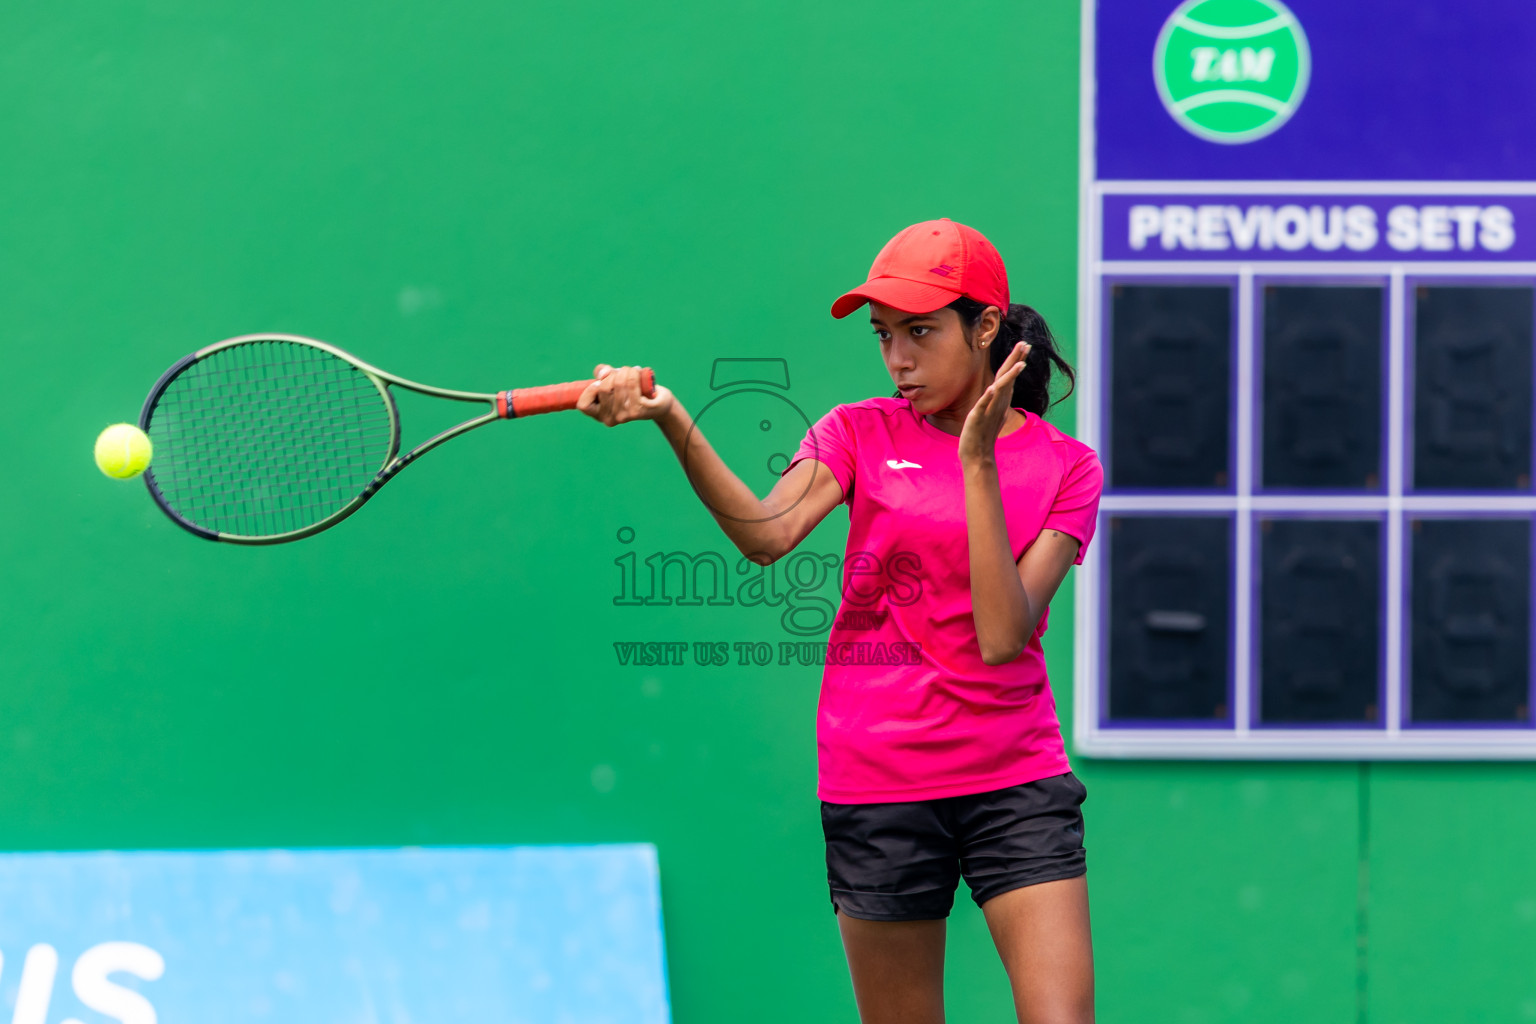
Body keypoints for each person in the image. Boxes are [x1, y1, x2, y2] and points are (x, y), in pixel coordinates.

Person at [577, 218, 1103, 1024]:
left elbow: (1003, 639)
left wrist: (976, 466)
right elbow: (767, 535)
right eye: (884, 336)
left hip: (1015, 779)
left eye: (920, 333)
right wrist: (672, 418)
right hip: (879, 779)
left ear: (986, 327)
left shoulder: (1069, 467)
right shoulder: (857, 431)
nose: (898, 359)